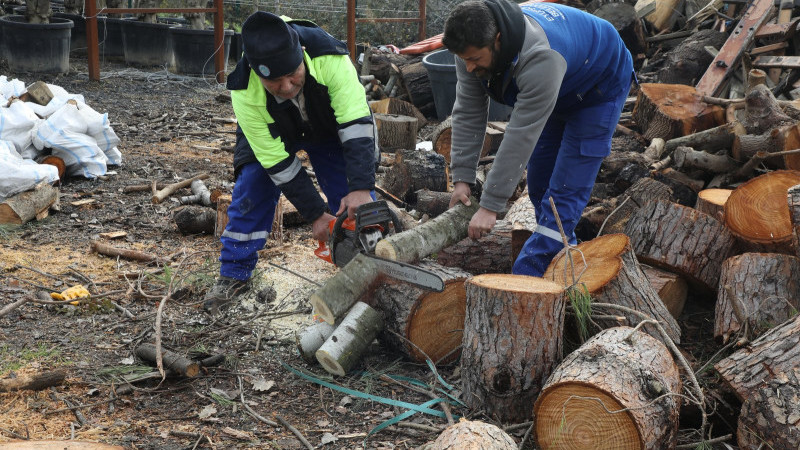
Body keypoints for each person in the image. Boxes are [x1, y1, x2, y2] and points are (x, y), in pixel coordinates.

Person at [443, 0, 634, 277]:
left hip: (598, 86)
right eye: (465, 60)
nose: (469, 68)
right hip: (562, 84)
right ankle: (567, 255)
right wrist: (461, 179)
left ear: (497, 40)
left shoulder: (541, 58)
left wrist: (490, 206)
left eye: (475, 60)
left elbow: (520, 134)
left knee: (564, 191)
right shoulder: (469, 51)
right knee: (540, 182)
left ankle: (531, 279)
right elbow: (468, 113)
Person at [203, 11, 378, 313]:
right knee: (253, 185)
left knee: (354, 196)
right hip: (275, 132)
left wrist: (361, 188)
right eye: (274, 80)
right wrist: (315, 214)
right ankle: (234, 273)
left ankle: (373, 266)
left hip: (329, 126)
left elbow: (357, 125)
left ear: (302, 56)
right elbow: (275, 161)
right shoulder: (244, 88)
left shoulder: (330, 57)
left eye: (292, 75)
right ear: (257, 74)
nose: (286, 87)